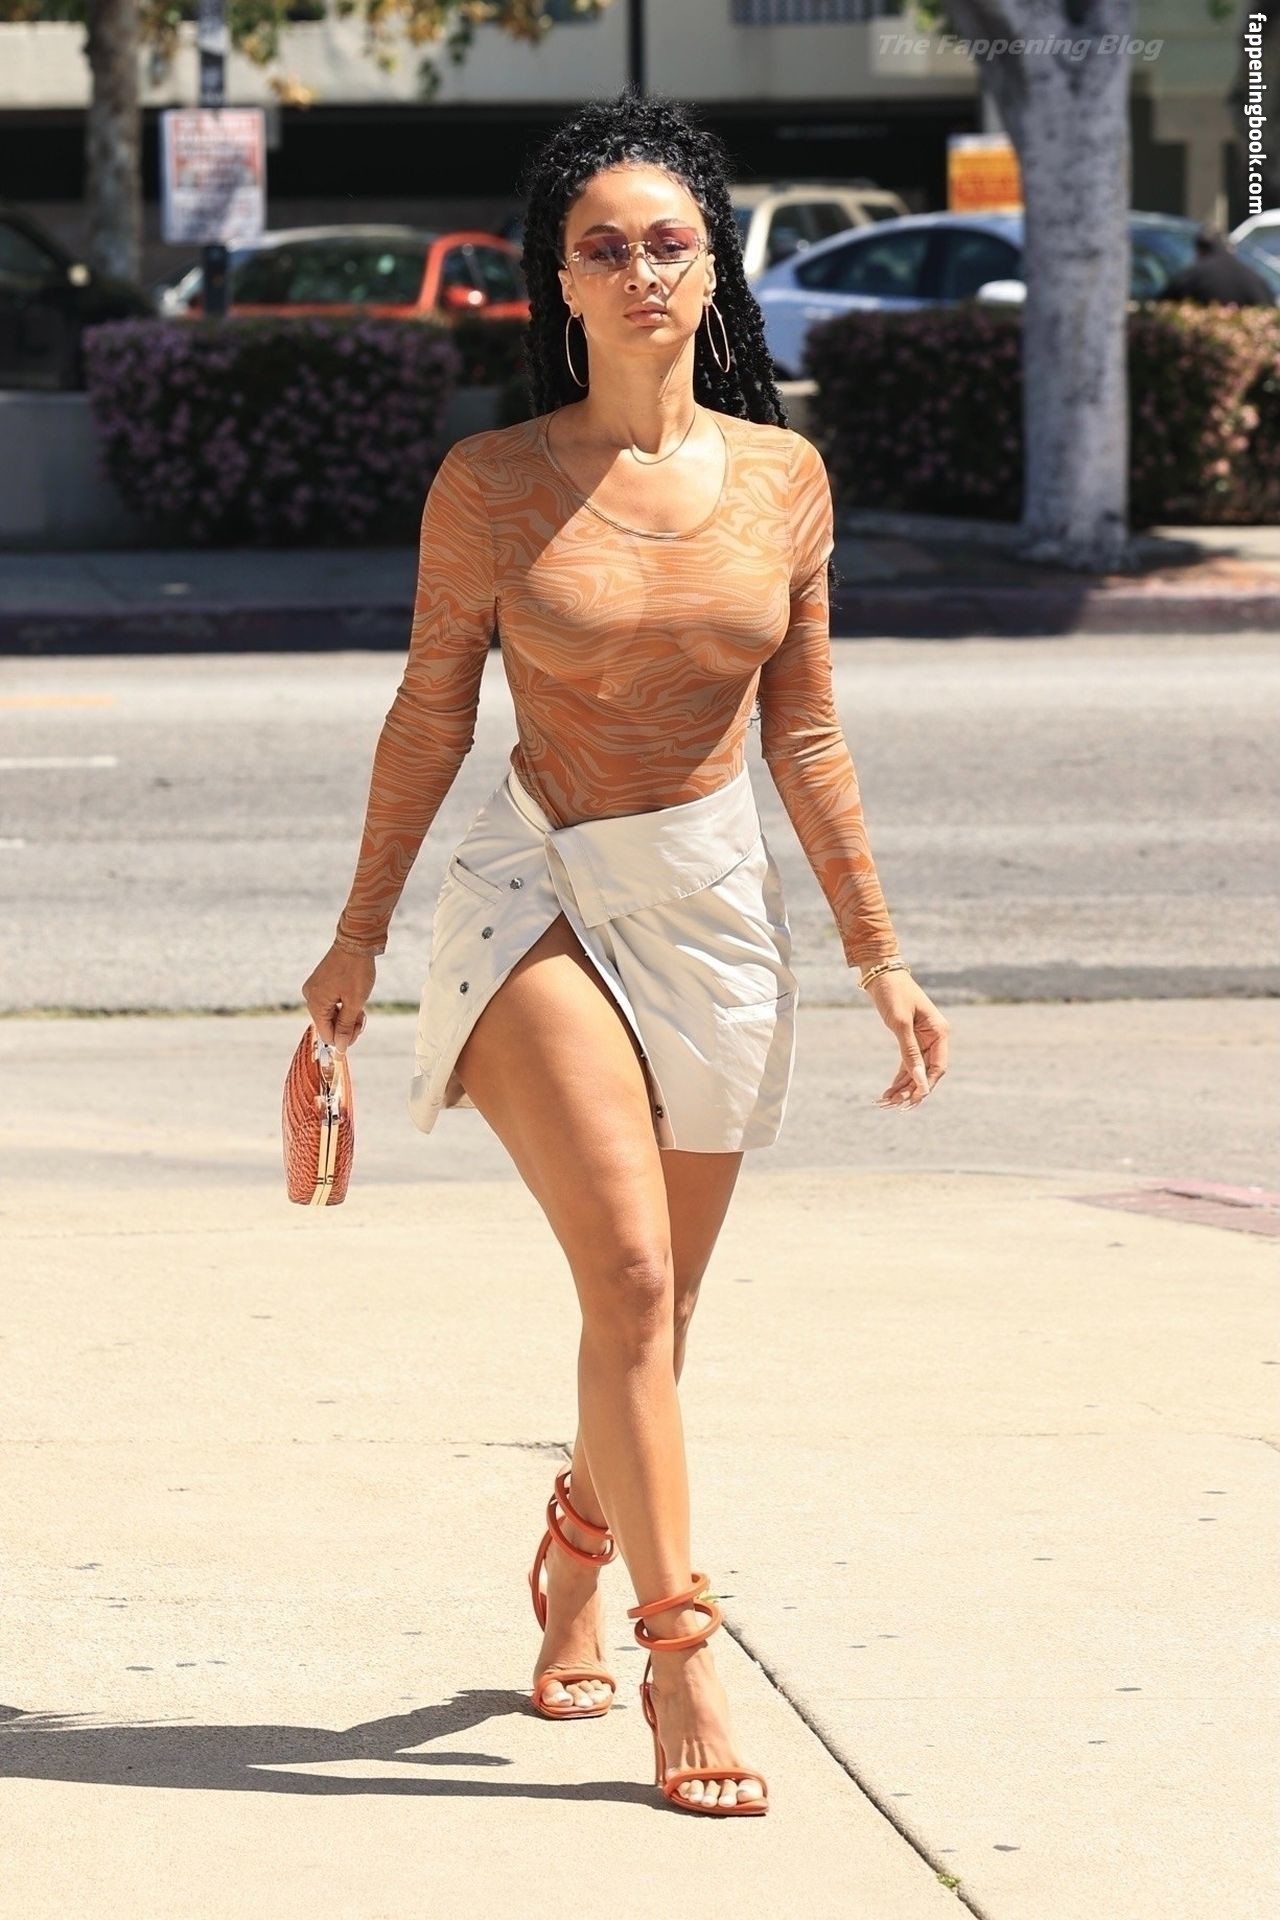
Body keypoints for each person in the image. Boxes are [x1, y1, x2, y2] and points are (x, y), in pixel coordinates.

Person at [302, 86, 949, 1818]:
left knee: (655, 1314)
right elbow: (430, 714)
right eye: (606, 248)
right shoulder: (494, 485)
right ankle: (684, 1655)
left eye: (671, 242)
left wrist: (880, 953)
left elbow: (807, 731)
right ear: (562, 280)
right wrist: (357, 935)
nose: (644, 269)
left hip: (713, 906)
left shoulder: (786, 479)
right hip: (538, 893)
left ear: (714, 266)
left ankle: (577, 1552)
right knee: (637, 1284)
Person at [1156, 223, 1275, 307]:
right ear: (1230, 248)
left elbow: (1161, 306)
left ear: (1199, 252)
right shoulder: (1253, 276)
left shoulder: (1192, 276)